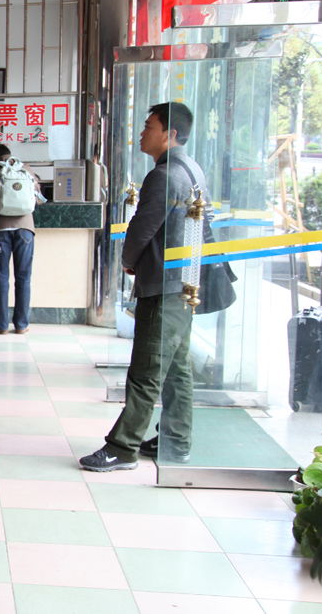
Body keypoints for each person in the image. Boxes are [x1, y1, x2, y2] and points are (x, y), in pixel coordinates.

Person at [80, 102, 203, 472]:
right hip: (181, 282)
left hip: (165, 284)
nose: (142, 132)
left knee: (147, 369)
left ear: (170, 134)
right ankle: (175, 440)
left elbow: (142, 228)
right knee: (176, 366)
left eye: (149, 126)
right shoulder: (189, 167)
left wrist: (129, 260)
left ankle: (123, 447)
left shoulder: (165, 175)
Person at [0, 143, 39, 335]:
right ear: (9, 155)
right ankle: (22, 324)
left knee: (1, 278)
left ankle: (1, 324)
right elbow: (38, 198)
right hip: (25, 229)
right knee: (23, 277)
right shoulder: (24, 168)